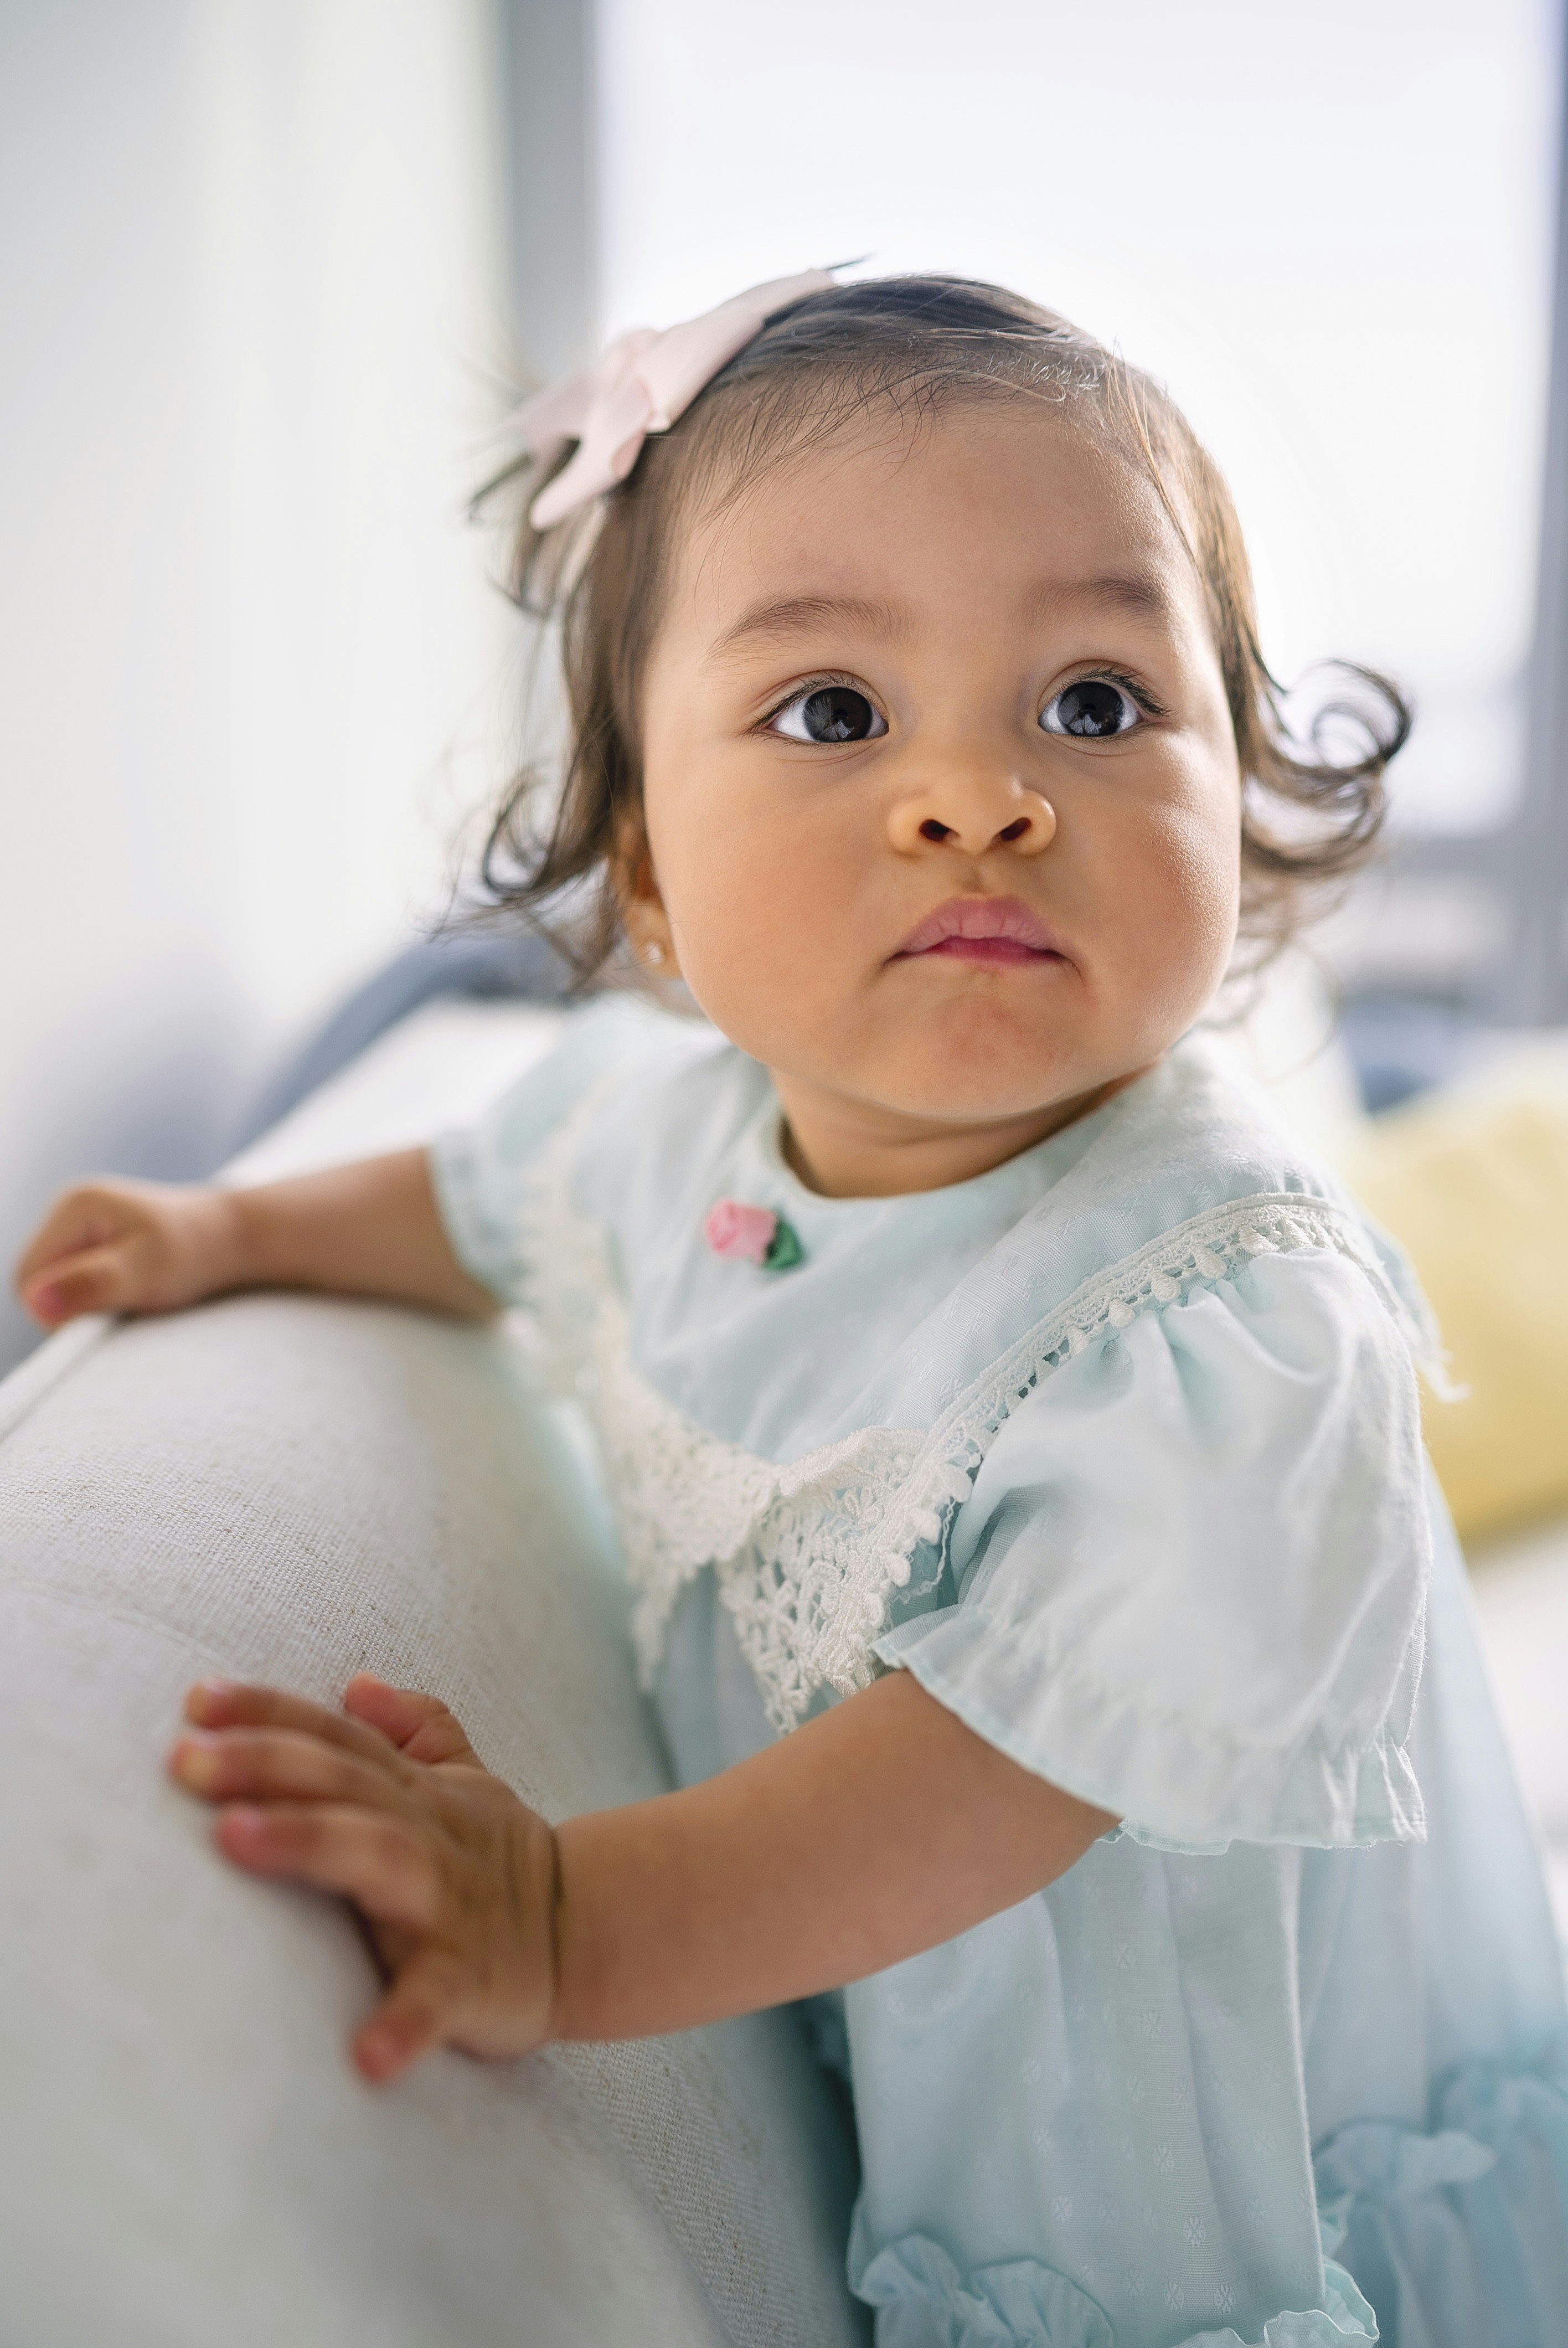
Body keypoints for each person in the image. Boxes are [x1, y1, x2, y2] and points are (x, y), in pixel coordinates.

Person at [15, 274, 1567, 2348]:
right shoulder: (666, 1131)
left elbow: (994, 1771)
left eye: (1097, 702)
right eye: (836, 712)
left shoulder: (1231, 1320)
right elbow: (479, 1201)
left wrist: (566, 1914)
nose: (979, 796)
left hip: (1190, 2156)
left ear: (1244, 789)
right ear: (650, 874)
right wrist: (227, 1235)